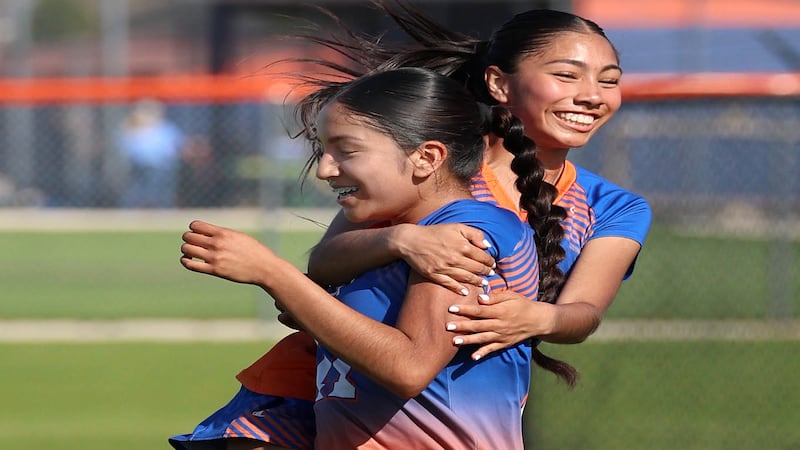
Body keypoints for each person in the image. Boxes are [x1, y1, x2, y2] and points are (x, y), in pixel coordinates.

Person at [171, 3, 652, 448]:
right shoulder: (431, 173)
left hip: (420, 409)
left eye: (609, 80)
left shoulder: (608, 208)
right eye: (566, 75)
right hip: (325, 391)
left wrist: (539, 318)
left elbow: (582, 313)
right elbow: (326, 262)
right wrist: (402, 240)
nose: (591, 95)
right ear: (499, 84)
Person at [172, 67, 558, 449]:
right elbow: (323, 264)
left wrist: (272, 273)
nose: (324, 169)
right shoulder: (396, 226)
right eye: (323, 149)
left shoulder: (462, 234)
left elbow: (409, 367)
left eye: (346, 150)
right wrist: (390, 245)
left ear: (427, 157)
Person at [117, 98, 187, 208]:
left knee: (161, 186)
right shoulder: (132, 129)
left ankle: (162, 207)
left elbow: (176, 146)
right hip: (141, 166)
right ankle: (133, 208)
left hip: (164, 166)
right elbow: (129, 149)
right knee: (139, 188)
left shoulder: (165, 128)